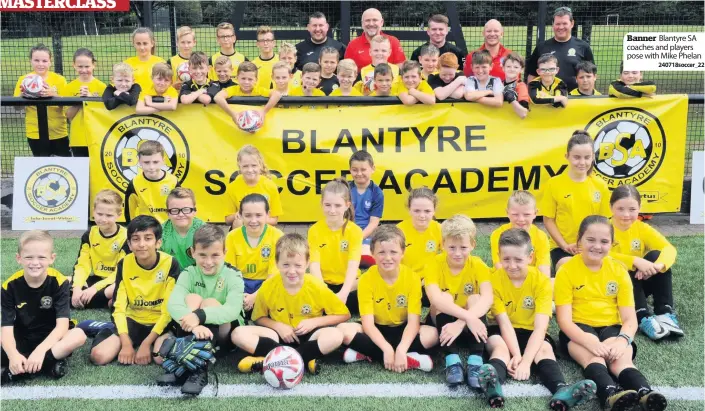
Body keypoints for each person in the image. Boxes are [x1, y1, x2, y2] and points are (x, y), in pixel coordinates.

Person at [555, 216, 667, 411]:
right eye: (590, 240)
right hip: (578, 330)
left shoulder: (618, 270)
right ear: (579, 239)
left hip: (612, 328)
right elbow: (564, 321)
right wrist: (589, 341)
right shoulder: (567, 271)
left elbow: (629, 319)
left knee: (620, 360)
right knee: (595, 358)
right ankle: (610, 396)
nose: (597, 246)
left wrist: (623, 339)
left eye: (604, 241)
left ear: (612, 244)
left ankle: (646, 393)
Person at [484, 228, 597, 409]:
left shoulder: (542, 282)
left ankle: (561, 391)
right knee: (499, 347)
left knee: (544, 349)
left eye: (518, 259)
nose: (512, 265)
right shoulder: (494, 281)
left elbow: (540, 328)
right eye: (506, 259)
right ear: (498, 256)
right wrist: (517, 356)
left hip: (532, 332)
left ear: (530, 257)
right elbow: (503, 323)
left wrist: (526, 362)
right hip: (504, 332)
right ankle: (493, 386)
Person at [231, 233, 350, 375]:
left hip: (308, 336)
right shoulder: (269, 285)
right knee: (238, 334)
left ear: (307, 263)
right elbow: (258, 318)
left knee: (336, 335)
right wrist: (278, 326)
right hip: (278, 336)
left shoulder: (316, 285)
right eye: (286, 265)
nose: (292, 271)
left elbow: (344, 314)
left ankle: (270, 360)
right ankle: (306, 358)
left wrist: (314, 322)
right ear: (277, 263)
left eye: (298, 265)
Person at [338, 225, 438, 373]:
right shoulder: (366, 279)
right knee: (343, 330)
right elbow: (368, 324)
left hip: (403, 329)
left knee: (434, 335)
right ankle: (409, 359)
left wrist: (402, 348)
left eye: (393, 252)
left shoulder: (412, 278)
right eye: (381, 252)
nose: (388, 258)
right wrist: (386, 349)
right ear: (372, 253)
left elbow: (413, 322)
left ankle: (368, 354)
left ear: (403, 252)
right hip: (376, 329)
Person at [164, 224, 245, 395]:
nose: (208, 262)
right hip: (195, 328)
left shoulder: (234, 275)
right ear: (193, 252)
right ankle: (183, 366)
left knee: (208, 302)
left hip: (225, 336)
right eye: (202, 255)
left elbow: (231, 310)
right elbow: (173, 304)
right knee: (192, 299)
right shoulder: (188, 272)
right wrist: (195, 324)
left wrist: (199, 316)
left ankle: (200, 370)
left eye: (215, 255)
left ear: (225, 252)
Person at [89, 216, 180, 367]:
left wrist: (146, 344)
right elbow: (118, 307)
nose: (142, 244)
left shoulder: (170, 263)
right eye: (136, 239)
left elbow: (168, 311)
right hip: (133, 320)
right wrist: (125, 343)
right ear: (129, 245)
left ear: (158, 242)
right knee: (98, 357)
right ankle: (102, 328)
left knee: (161, 358)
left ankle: (154, 341)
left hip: (161, 322)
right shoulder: (124, 264)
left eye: (148, 238)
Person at [1, 230, 87, 383]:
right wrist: (13, 354)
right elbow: (6, 328)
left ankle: (20, 370)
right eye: (29, 257)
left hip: (51, 340)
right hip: (22, 338)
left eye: (41, 257)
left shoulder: (60, 282)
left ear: (51, 258)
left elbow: (62, 327)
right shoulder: (9, 286)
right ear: (19, 259)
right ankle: (48, 365)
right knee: (7, 345)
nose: (35, 263)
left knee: (78, 335)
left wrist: (40, 351)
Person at [423, 214, 492, 388]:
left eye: (463, 247)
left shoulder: (478, 265)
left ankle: (476, 361)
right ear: (443, 244)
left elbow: (487, 298)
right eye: (452, 247)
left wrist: (462, 322)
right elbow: (435, 300)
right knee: (444, 297)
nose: (457, 253)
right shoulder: (434, 264)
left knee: (475, 298)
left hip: (468, 325)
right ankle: (452, 361)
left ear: (473, 245)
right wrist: (467, 318)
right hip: (443, 322)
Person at [609, 185, 682, 340]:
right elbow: (599, 256)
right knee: (625, 271)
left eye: (632, 209)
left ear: (639, 208)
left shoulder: (641, 228)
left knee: (657, 256)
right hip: (611, 288)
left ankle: (664, 313)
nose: (626, 214)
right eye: (620, 209)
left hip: (638, 282)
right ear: (611, 207)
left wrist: (657, 266)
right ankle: (642, 316)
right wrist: (635, 261)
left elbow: (669, 248)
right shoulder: (604, 228)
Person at [541, 130, 611, 273]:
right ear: (567, 156)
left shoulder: (600, 185)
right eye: (576, 157)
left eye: (587, 157)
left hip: (593, 246)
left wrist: (592, 245)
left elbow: (604, 222)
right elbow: (548, 220)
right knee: (570, 270)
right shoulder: (554, 184)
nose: (582, 162)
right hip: (563, 248)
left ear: (593, 157)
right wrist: (564, 245)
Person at [308, 178, 363, 314]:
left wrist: (343, 293)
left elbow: (353, 264)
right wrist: (324, 291)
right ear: (321, 204)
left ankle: (333, 305)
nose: (332, 210)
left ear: (347, 205)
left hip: (349, 286)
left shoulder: (355, 231)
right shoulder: (314, 230)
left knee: (369, 285)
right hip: (323, 284)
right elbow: (314, 265)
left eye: (337, 205)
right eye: (328, 205)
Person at [224, 194, 284, 317]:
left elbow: (274, 276)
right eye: (248, 215)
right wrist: (240, 295)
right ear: (240, 216)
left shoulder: (277, 236)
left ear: (268, 214)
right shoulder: (232, 237)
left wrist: (254, 297)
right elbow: (229, 271)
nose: (253, 220)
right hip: (241, 283)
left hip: (266, 283)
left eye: (258, 215)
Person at [72, 189, 129, 309]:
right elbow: (82, 264)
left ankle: (101, 299)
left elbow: (121, 272)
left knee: (114, 289)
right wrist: (77, 288)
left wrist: (94, 289)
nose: (103, 219)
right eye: (99, 214)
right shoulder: (90, 234)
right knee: (67, 284)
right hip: (97, 279)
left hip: (116, 281)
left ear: (119, 215)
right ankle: (104, 301)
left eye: (109, 215)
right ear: (93, 211)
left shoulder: (125, 237)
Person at [14, 44, 69, 157]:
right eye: (36, 60)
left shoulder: (59, 79)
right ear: (31, 61)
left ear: (50, 62)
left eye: (44, 61)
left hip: (58, 132)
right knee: (43, 166)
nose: (40, 64)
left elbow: (67, 105)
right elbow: (16, 107)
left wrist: (54, 95)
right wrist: (23, 95)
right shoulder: (24, 80)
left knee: (63, 167)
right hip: (35, 132)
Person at [526, 7, 595, 92]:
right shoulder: (541, 47)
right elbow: (532, 75)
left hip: (576, 98)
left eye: (564, 23)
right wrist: (531, 94)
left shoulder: (583, 47)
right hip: (547, 99)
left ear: (572, 23)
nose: (561, 27)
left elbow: (591, 75)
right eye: (557, 24)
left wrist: (590, 96)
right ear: (553, 24)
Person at [490, 191, 550, 277]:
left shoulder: (541, 237)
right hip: (505, 278)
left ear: (535, 213)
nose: (521, 219)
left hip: (531, 280)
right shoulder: (498, 234)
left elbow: (543, 269)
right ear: (507, 212)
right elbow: (499, 266)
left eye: (526, 214)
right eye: (515, 214)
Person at [224, 145, 283, 228]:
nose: (250, 170)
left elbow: (274, 220)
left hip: (263, 227)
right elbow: (227, 220)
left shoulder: (270, 186)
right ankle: (239, 240)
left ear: (260, 165)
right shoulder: (232, 187)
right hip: (243, 227)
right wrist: (238, 215)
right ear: (239, 166)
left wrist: (257, 219)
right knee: (238, 222)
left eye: (254, 165)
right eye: (245, 166)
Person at [63, 48, 107, 157]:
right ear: (74, 65)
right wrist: (79, 100)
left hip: (97, 137)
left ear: (93, 65)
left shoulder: (102, 87)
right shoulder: (69, 87)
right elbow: (69, 115)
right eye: (80, 67)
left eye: (87, 66)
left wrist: (90, 99)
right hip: (78, 139)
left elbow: (104, 114)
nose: (84, 70)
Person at [123, 140, 180, 224]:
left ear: (163, 160)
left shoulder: (173, 181)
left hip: (169, 229)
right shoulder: (135, 183)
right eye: (146, 162)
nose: (151, 167)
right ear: (139, 161)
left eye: (155, 162)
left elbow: (180, 207)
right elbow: (129, 214)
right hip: (145, 229)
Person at [214, 62, 282, 126]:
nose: (246, 82)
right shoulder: (233, 89)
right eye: (243, 78)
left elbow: (277, 94)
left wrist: (264, 112)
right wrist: (233, 114)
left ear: (256, 80)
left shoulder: (259, 90)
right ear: (237, 78)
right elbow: (218, 97)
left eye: (250, 79)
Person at [397, 188, 442, 284]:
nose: (422, 215)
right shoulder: (398, 231)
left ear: (434, 211)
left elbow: (448, 257)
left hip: (429, 279)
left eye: (427, 211)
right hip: (405, 278)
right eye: (417, 211)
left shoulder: (439, 229)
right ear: (409, 210)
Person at [348, 150, 383, 254]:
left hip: (367, 233)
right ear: (350, 170)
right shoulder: (345, 189)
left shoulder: (377, 192)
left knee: (365, 253)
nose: (359, 174)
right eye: (355, 170)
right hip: (347, 230)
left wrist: (359, 237)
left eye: (363, 169)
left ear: (373, 169)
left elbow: (374, 222)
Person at [160, 188, 204, 269]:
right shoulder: (160, 233)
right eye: (174, 210)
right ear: (167, 213)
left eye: (186, 209)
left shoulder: (205, 232)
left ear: (194, 211)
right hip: (170, 277)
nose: (181, 214)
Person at [167, 26, 196, 90]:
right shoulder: (170, 62)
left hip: (195, 95)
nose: (186, 46)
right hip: (176, 97)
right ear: (177, 43)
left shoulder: (198, 60)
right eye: (182, 42)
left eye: (189, 42)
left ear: (194, 42)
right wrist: (173, 86)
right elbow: (166, 83)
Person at [502, 52, 530, 119]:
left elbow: (523, 112)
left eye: (516, 67)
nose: (512, 69)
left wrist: (512, 99)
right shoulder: (499, 84)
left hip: (514, 123)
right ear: (503, 68)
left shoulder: (521, 86)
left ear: (522, 70)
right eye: (508, 66)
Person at [253, 26, 279, 91]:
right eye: (262, 40)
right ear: (257, 44)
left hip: (280, 99)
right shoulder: (253, 65)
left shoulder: (281, 61)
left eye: (268, 40)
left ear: (274, 43)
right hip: (259, 99)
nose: (265, 43)